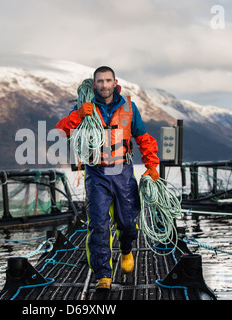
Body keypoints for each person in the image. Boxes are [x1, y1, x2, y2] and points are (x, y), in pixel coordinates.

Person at [55, 66, 159, 290]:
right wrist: (78, 115)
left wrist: (151, 164)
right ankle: (103, 275)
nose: (104, 85)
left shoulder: (130, 107)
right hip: (96, 172)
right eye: (100, 81)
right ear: (94, 85)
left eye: (107, 81)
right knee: (98, 225)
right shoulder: (84, 108)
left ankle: (125, 249)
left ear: (115, 82)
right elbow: (61, 131)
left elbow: (143, 137)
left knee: (128, 223)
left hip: (122, 171)